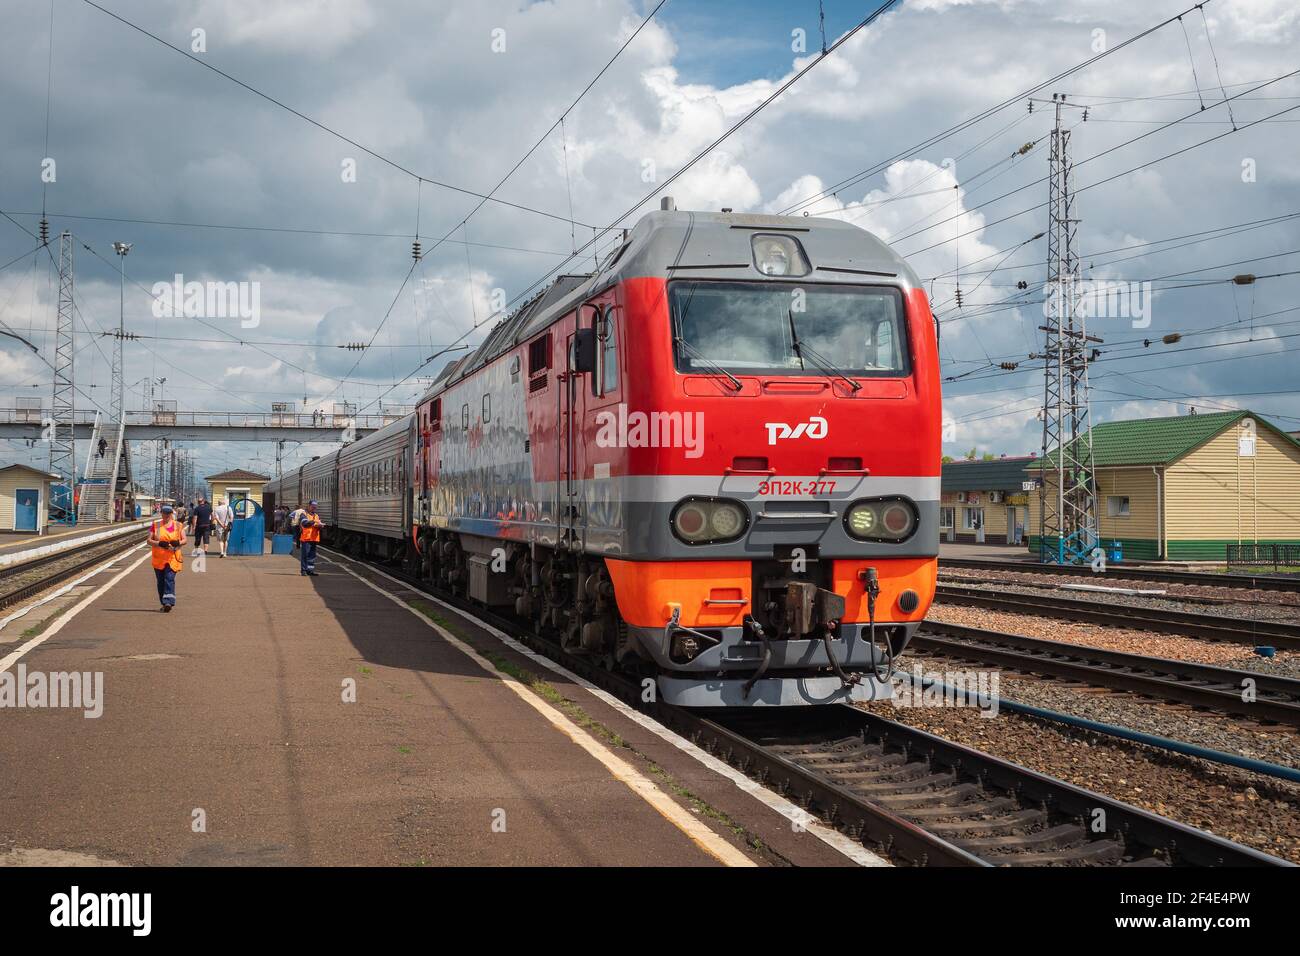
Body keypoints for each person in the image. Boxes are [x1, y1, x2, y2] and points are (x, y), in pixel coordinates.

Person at [148, 504, 186, 612]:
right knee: (160, 582)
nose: (166, 515)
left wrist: (178, 542)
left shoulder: (178, 525)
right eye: (164, 513)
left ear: (171, 514)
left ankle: (168, 602)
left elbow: (185, 540)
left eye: (168, 513)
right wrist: (159, 543)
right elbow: (149, 540)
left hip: (173, 558)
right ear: (162, 513)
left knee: (169, 579)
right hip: (159, 558)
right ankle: (164, 603)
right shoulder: (155, 525)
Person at [298, 500, 321, 576]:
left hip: (314, 538)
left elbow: (317, 525)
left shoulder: (316, 515)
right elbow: (304, 523)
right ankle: (303, 570)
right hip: (306, 538)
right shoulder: (304, 514)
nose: (314, 508)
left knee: (312, 556)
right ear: (309, 506)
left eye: (315, 507)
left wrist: (320, 526)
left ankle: (310, 570)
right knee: (305, 555)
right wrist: (313, 522)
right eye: (312, 506)